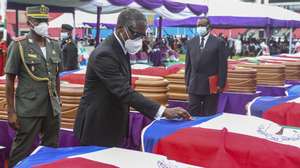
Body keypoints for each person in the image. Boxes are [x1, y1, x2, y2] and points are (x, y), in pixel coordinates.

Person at [74, 8, 191, 147]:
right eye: (136, 34)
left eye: (142, 36)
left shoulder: (120, 48)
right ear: (120, 29)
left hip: (112, 121)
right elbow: (123, 91)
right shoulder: (104, 54)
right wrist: (163, 111)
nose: (139, 40)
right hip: (97, 125)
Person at [5, 5, 62, 167]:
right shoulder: (19, 45)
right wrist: (11, 111)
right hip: (29, 108)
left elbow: (57, 76)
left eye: (45, 20)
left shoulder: (55, 45)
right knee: (21, 150)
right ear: (30, 23)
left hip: (52, 108)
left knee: (51, 149)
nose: (43, 24)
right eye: (39, 21)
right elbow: (10, 80)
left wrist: (59, 101)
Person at [185, 17, 227, 116]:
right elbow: (188, 65)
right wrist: (187, 82)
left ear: (209, 27)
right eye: (198, 25)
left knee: (209, 113)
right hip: (194, 84)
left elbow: (223, 66)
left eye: (202, 25)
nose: (200, 27)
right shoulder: (191, 42)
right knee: (193, 111)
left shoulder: (218, 42)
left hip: (211, 85)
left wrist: (221, 84)